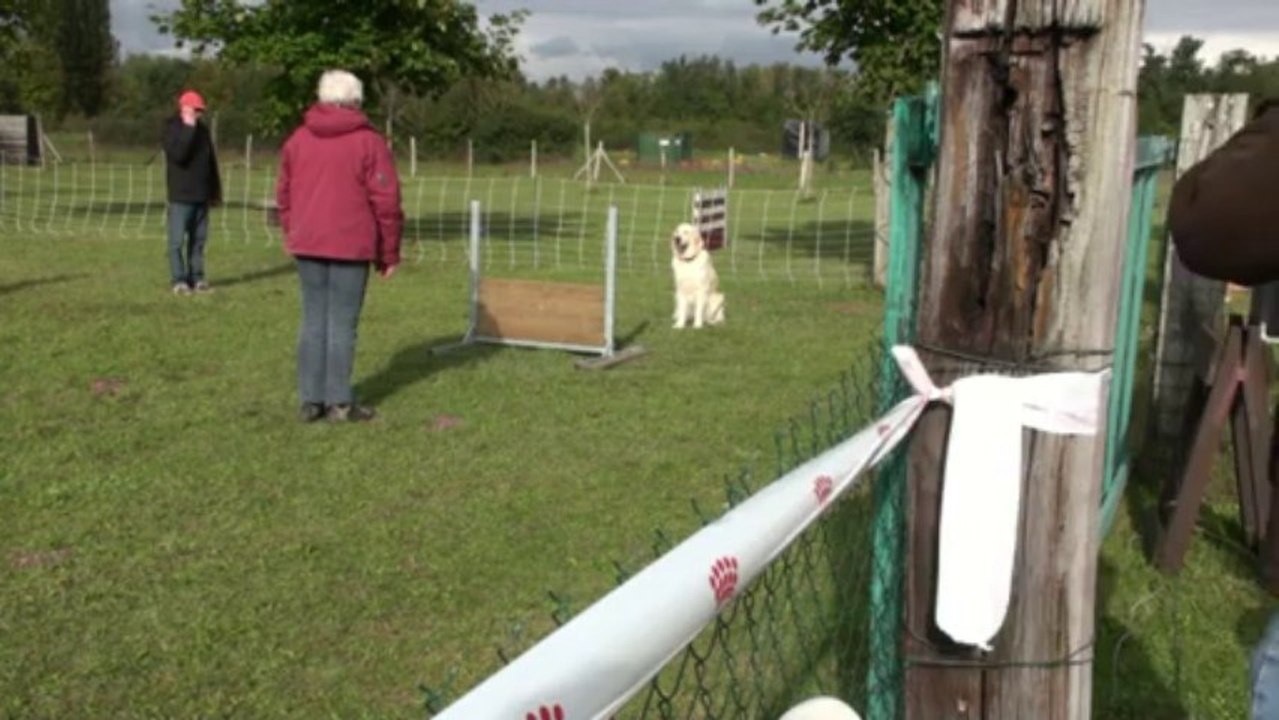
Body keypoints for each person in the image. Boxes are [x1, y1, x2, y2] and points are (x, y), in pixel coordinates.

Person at [275, 70, 402, 423]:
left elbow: (283, 194)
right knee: (342, 323)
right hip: (350, 244)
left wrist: (293, 231)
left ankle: (311, 400)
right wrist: (389, 251)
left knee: (313, 319)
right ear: (355, 100)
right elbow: (386, 200)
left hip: (308, 243)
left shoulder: (297, 139)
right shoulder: (369, 142)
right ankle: (339, 402)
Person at [163, 89, 222, 295]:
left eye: (200, 111)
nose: (199, 114)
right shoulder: (172, 129)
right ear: (184, 109)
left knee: (198, 241)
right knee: (177, 241)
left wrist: (215, 192)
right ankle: (179, 280)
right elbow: (179, 154)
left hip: (201, 195)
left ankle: (197, 278)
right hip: (180, 196)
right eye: (195, 110)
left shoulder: (204, 131)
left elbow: (210, 163)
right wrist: (188, 128)